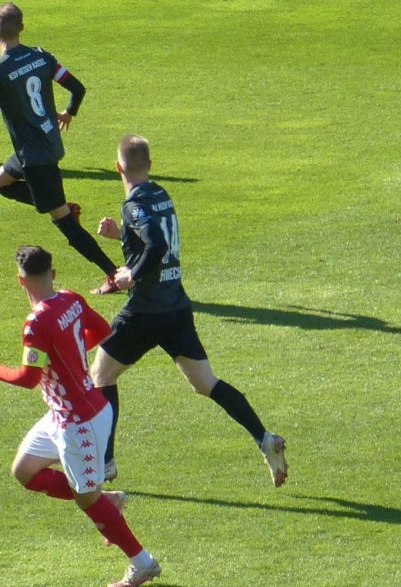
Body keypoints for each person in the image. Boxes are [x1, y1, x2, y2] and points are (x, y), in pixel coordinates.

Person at [89, 135, 288, 493]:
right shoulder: (162, 195)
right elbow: (157, 241)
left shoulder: (133, 204)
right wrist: (121, 235)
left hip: (144, 312)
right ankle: (264, 438)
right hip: (177, 309)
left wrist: (131, 275)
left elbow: (157, 244)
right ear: (150, 165)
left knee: (101, 376)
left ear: (117, 167)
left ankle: (105, 463)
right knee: (205, 383)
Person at [1, 245, 160, 587]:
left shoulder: (35, 323)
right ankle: (106, 501)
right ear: (53, 274)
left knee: (87, 500)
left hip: (80, 423)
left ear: (20, 281)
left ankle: (142, 563)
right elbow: (102, 330)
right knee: (24, 471)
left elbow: (28, 379)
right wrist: (69, 353)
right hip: (65, 414)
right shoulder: (70, 299)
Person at [0, 4, 120, 290]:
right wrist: (68, 113)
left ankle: (114, 275)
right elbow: (77, 88)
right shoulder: (42, 57)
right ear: (22, 28)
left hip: (35, 157)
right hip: (45, 144)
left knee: (63, 221)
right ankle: (62, 204)